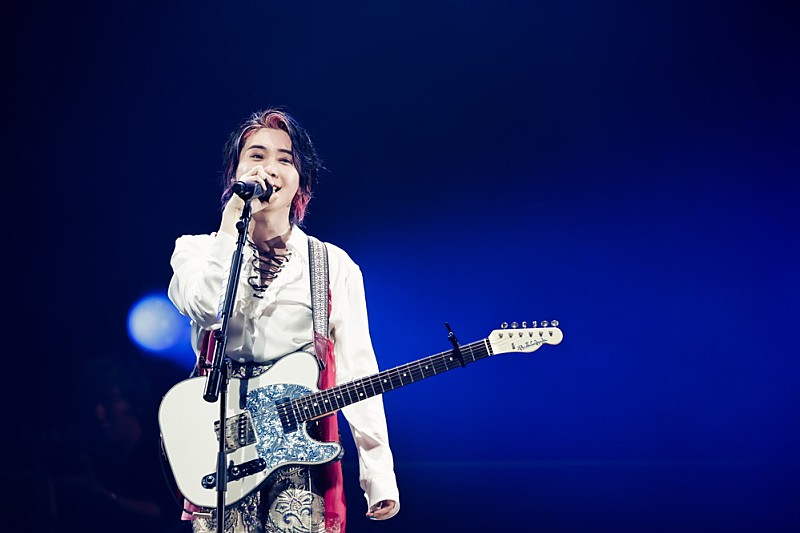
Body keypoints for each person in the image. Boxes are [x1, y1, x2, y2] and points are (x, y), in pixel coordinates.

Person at [166, 107, 399, 533]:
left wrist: (378, 475)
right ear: (234, 173)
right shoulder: (196, 251)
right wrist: (231, 223)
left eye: (284, 159)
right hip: (222, 443)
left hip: (297, 451)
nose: (269, 168)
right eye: (256, 156)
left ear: (301, 182)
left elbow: (359, 371)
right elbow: (207, 308)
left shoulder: (332, 265)